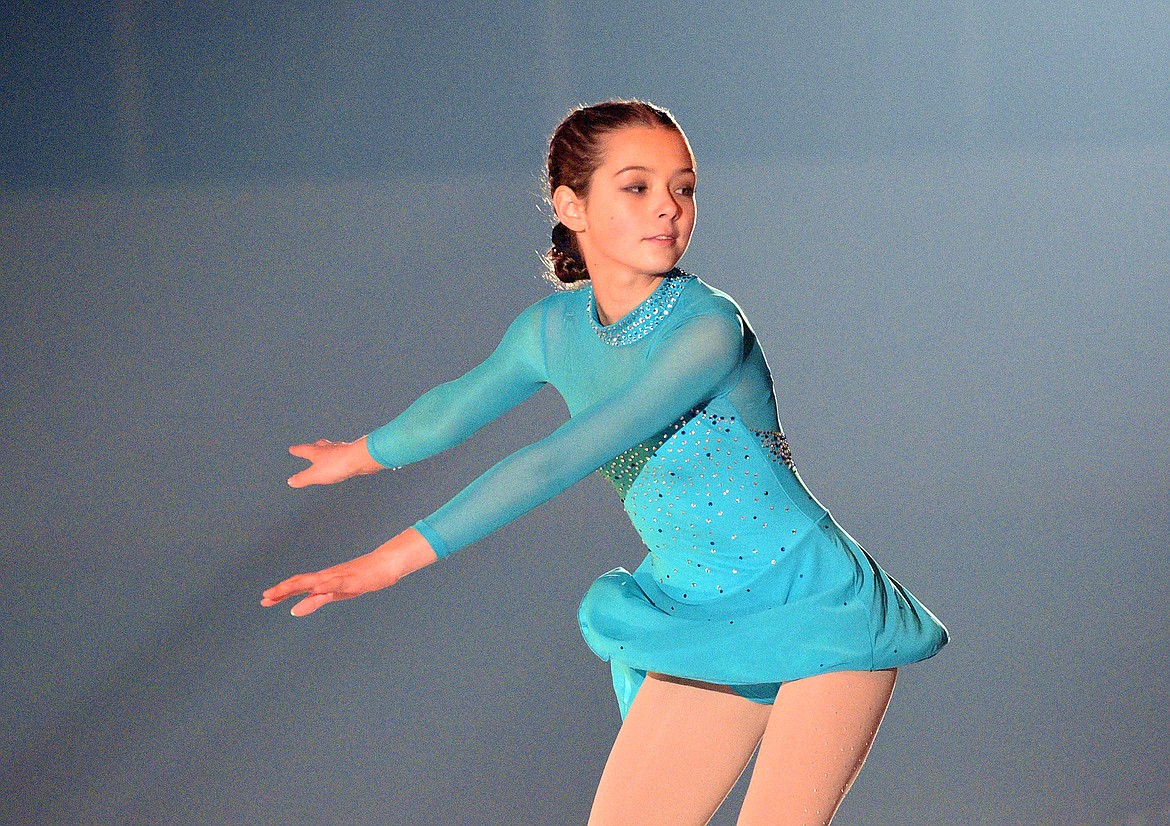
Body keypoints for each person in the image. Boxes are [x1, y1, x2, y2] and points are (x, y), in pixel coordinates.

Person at [262, 99, 948, 825]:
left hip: (816, 604)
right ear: (571, 204)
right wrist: (361, 456)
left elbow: (555, 460)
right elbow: (451, 409)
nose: (667, 209)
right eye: (637, 186)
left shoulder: (708, 327)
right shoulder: (552, 330)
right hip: (697, 613)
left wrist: (388, 561)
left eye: (682, 188)